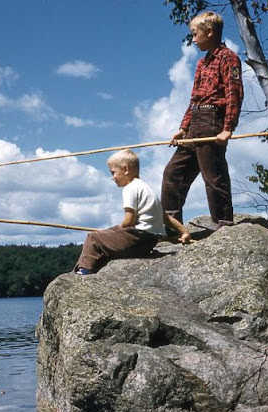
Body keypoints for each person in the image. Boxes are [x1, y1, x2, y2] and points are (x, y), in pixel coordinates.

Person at [161, 11, 244, 229]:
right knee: (173, 174)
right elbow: (194, 98)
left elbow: (234, 94)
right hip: (195, 122)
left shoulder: (229, 58)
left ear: (210, 32)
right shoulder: (202, 63)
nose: (193, 39)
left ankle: (223, 223)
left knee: (213, 176)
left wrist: (228, 129)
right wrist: (182, 127)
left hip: (212, 121)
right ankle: (172, 226)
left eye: (195, 34)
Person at [74, 149, 190, 275]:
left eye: (113, 173)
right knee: (107, 240)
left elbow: (129, 220)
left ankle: (84, 271)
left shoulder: (130, 188)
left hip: (137, 238)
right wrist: (184, 232)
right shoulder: (147, 189)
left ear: (125, 169)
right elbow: (165, 217)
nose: (113, 178)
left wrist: (117, 229)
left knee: (94, 238)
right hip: (149, 242)